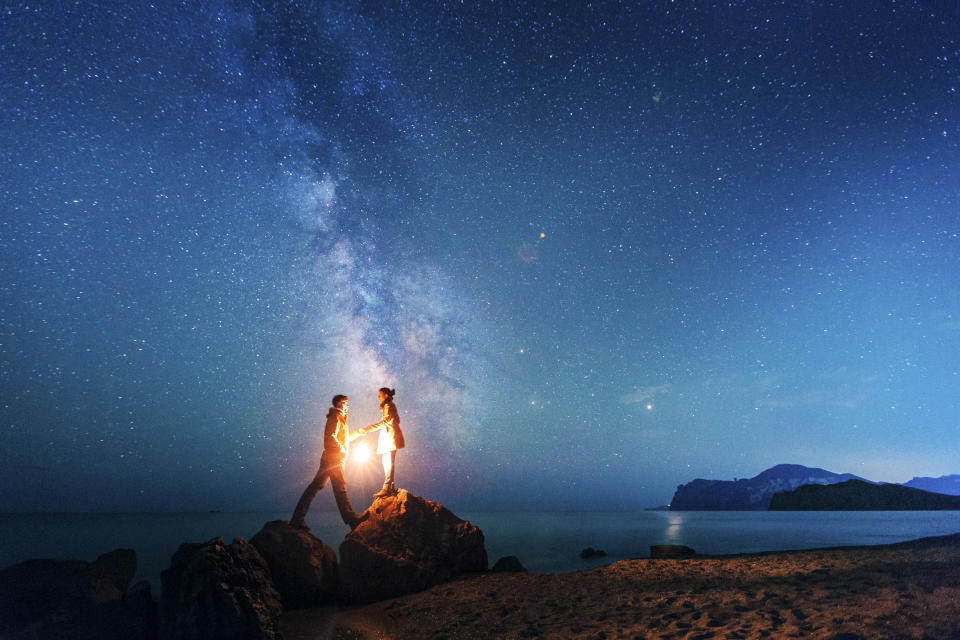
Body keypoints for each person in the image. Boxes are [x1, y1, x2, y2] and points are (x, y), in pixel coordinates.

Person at [290, 394, 366, 529]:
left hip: (330, 457)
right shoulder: (336, 416)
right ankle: (351, 519)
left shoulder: (340, 418)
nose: (348, 406)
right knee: (340, 488)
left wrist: (357, 434)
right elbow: (330, 436)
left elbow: (343, 438)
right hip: (334, 458)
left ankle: (297, 519)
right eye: (346, 403)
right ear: (339, 404)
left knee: (315, 487)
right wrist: (341, 449)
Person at [357, 387, 405, 498]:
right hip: (388, 437)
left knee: (388, 463)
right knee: (386, 462)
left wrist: (367, 429)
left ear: (386, 396)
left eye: (380, 395)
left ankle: (387, 488)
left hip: (390, 438)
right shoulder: (388, 406)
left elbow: (384, 422)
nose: (378, 397)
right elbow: (394, 420)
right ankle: (390, 487)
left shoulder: (388, 406)